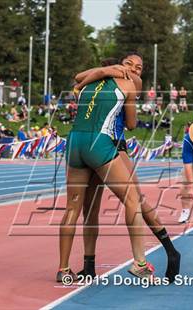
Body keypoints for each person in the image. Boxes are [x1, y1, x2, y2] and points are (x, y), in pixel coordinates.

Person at [58, 54, 155, 283]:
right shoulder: (128, 85)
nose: (134, 69)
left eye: (138, 67)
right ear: (122, 66)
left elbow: (81, 76)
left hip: (74, 143)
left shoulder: (91, 80)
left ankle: (63, 269)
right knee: (132, 198)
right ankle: (140, 263)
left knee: (73, 209)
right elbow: (131, 125)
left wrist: (92, 78)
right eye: (132, 65)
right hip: (99, 142)